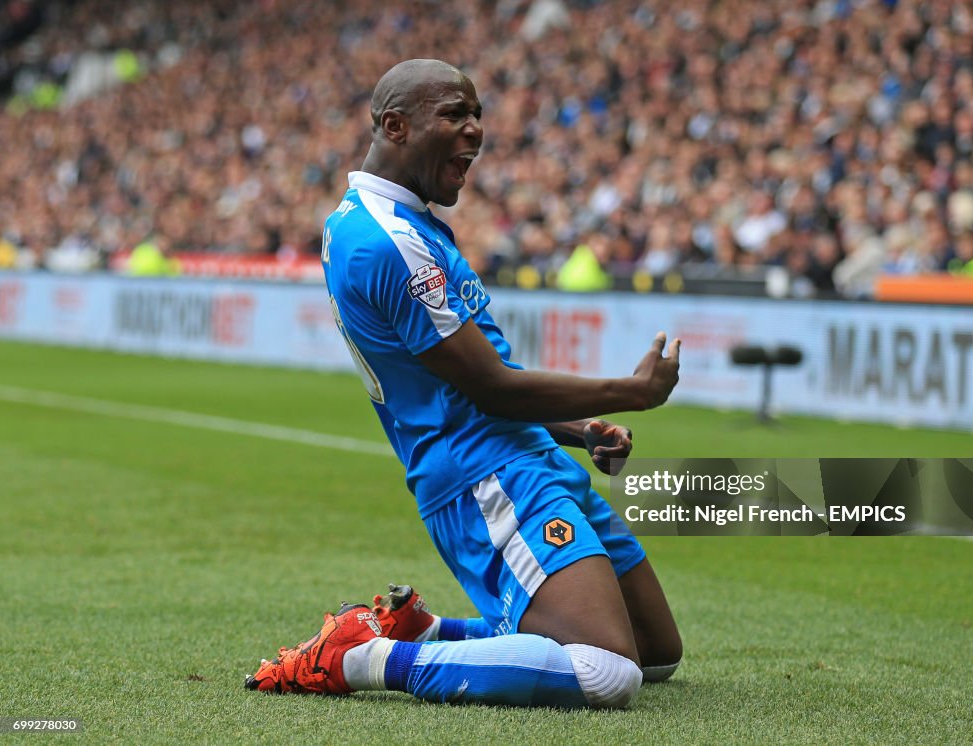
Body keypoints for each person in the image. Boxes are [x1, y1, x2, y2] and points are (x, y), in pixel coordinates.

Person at [244, 59, 683, 709]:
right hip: (485, 477)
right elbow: (491, 388)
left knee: (656, 655)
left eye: (476, 114)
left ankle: (427, 628)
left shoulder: (390, 220)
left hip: (519, 454)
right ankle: (365, 657)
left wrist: (576, 431)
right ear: (395, 126)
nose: (475, 130)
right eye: (455, 114)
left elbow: (462, 379)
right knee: (607, 672)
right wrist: (630, 390)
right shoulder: (386, 238)